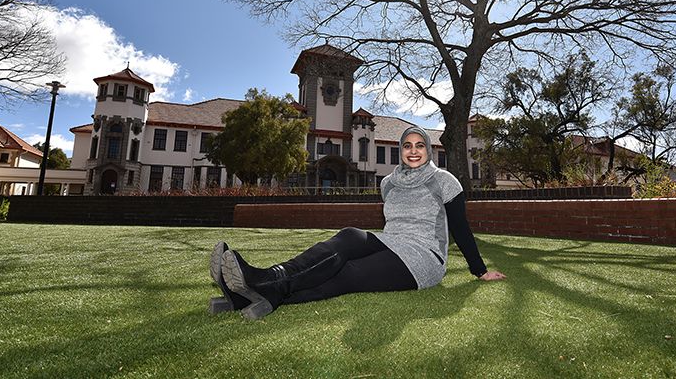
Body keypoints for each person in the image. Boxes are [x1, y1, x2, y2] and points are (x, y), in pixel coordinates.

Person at [210, 126, 506, 320]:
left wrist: (479, 271)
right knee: (350, 236)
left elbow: (460, 228)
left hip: (423, 258)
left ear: (428, 150)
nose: (413, 151)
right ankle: (259, 286)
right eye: (407, 146)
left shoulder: (444, 180)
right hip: (392, 243)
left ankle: (265, 287)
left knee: (349, 273)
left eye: (419, 146)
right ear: (401, 150)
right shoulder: (389, 183)